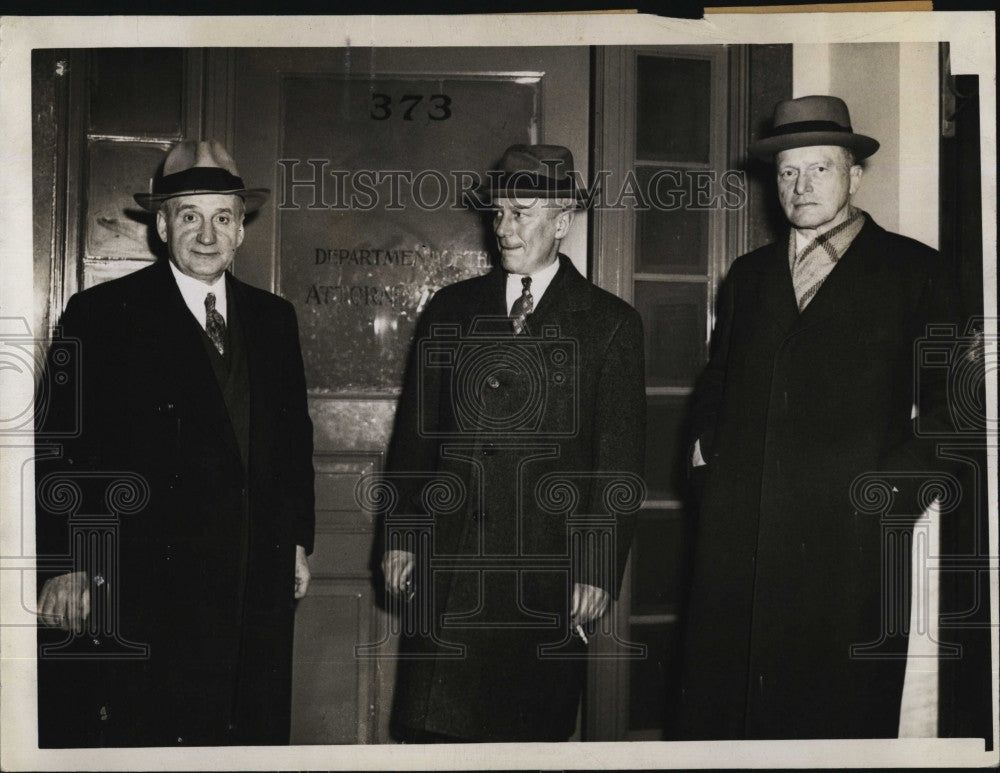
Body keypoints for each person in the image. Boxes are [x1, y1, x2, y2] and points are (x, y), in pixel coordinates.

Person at [674, 96, 963, 740]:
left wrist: (889, 498)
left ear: (855, 175)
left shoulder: (916, 272)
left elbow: (955, 410)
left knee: (835, 720)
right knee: (728, 719)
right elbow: (718, 381)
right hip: (739, 544)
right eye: (786, 173)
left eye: (819, 170)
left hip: (849, 550)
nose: (800, 187)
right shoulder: (748, 277)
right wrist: (708, 466)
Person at [35, 140, 315, 747]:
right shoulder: (102, 315)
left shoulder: (275, 319)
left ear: (243, 227)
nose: (207, 234)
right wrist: (69, 564)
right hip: (149, 586)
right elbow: (59, 447)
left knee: (249, 735)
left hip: (254, 581)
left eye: (222, 216)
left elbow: (293, 441)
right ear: (162, 226)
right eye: (190, 215)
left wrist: (295, 539)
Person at [378, 144, 645, 742]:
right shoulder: (450, 309)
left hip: (544, 576)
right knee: (436, 738)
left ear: (562, 221)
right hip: (448, 565)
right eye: (498, 214)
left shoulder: (610, 324)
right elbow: (413, 441)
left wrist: (596, 569)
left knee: (526, 739)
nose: (504, 228)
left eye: (521, 213)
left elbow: (619, 465)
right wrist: (400, 537)